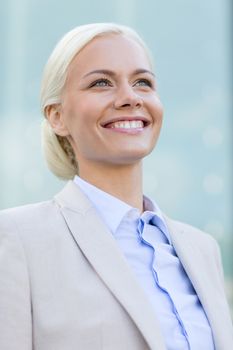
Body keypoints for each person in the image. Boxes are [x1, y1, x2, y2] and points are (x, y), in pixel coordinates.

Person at [0, 23, 232, 350]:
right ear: (57, 117)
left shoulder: (202, 249)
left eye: (142, 82)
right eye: (101, 83)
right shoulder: (16, 238)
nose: (130, 97)